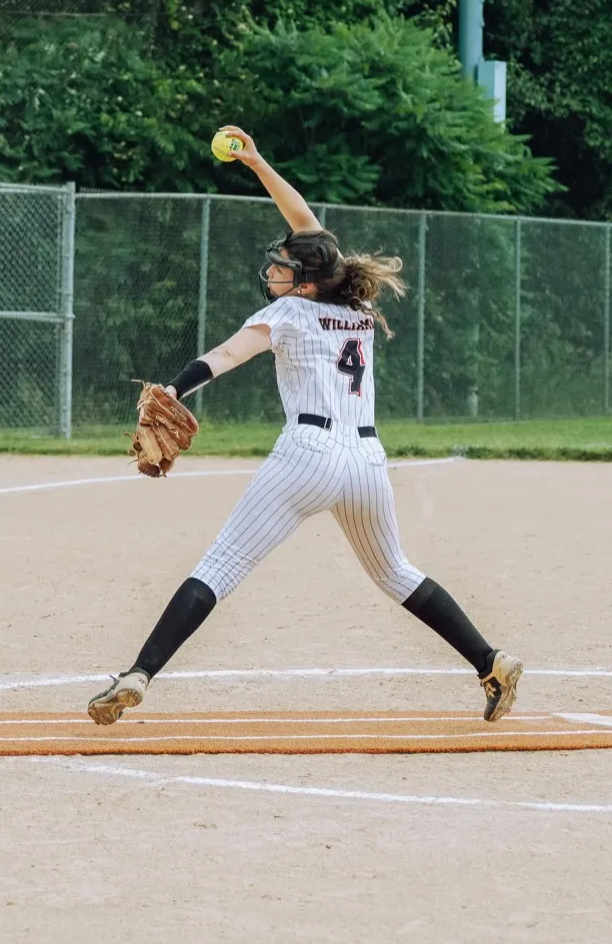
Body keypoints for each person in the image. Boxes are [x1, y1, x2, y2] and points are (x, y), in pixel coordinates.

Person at [87, 127, 522, 725]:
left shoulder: (289, 311)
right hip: (368, 462)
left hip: (309, 455)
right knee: (396, 572)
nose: (275, 271)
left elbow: (225, 357)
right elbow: (311, 229)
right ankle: (492, 662)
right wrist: (259, 162)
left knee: (218, 566)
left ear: (308, 281)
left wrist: (172, 389)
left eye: (285, 267)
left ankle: (138, 673)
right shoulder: (357, 307)